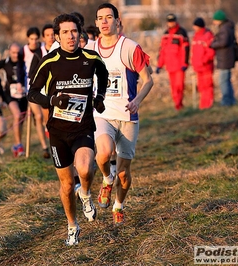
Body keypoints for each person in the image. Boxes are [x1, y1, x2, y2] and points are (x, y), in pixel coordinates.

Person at [27, 13, 108, 246]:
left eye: (74, 31)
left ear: (80, 33)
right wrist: (52, 101)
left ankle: (85, 193)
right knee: (65, 185)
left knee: (84, 169)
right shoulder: (50, 61)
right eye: (65, 32)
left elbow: (103, 73)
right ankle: (72, 225)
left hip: (82, 128)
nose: (71, 36)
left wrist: (99, 96)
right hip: (58, 132)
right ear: (57, 36)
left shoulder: (91, 57)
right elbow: (32, 93)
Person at [86, 3, 153, 225]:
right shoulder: (91, 49)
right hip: (102, 113)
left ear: (117, 21)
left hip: (128, 116)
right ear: (96, 23)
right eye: (100, 18)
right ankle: (106, 178)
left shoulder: (129, 47)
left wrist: (137, 100)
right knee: (103, 154)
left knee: (124, 173)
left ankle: (119, 205)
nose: (104, 21)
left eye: (108, 17)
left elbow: (148, 79)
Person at [0, 43, 27, 157]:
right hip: (9, 94)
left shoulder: (24, 62)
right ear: (9, 52)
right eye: (13, 52)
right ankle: (18, 144)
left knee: (21, 120)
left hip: (23, 94)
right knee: (17, 115)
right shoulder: (5, 62)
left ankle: (17, 145)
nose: (16, 55)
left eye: (18, 52)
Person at [19, 27, 50, 158]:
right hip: (32, 87)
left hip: (47, 89)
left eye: (36, 39)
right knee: (38, 117)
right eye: (31, 39)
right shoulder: (35, 52)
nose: (34, 41)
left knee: (46, 118)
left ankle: (48, 132)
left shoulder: (53, 49)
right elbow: (22, 69)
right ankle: (44, 147)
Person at [156, 13, 189, 110]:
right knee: (173, 88)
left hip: (179, 66)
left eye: (172, 21)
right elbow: (162, 51)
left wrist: (185, 63)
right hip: (170, 66)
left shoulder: (181, 33)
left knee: (179, 86)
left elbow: (186, 49)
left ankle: (179, 105)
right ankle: (177, 105)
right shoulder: (165, 34)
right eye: (169, 22)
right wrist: (159, 65)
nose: (171, 23)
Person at [210, 9, 237, 106]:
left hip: (225, 58)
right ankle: (231, 100)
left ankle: (226, 101)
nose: (213, 22)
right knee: (227, 80)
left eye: (215, 20)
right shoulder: (227, 27)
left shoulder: (224, 29)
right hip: (225, 57)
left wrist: (212, 44)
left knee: (223, 81)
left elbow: (223, 42)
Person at [191, 17, 215, 109]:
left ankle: (209, 104)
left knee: (208, 86)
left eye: (195, 26)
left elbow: (211, 52)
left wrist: (203, 61)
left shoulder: (208, 35)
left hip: (206, 66)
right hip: (198, 67)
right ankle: (203, 105)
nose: (194, 28)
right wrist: (194, 63)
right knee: (201, 87)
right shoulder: (195, 36)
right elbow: (194, 51)